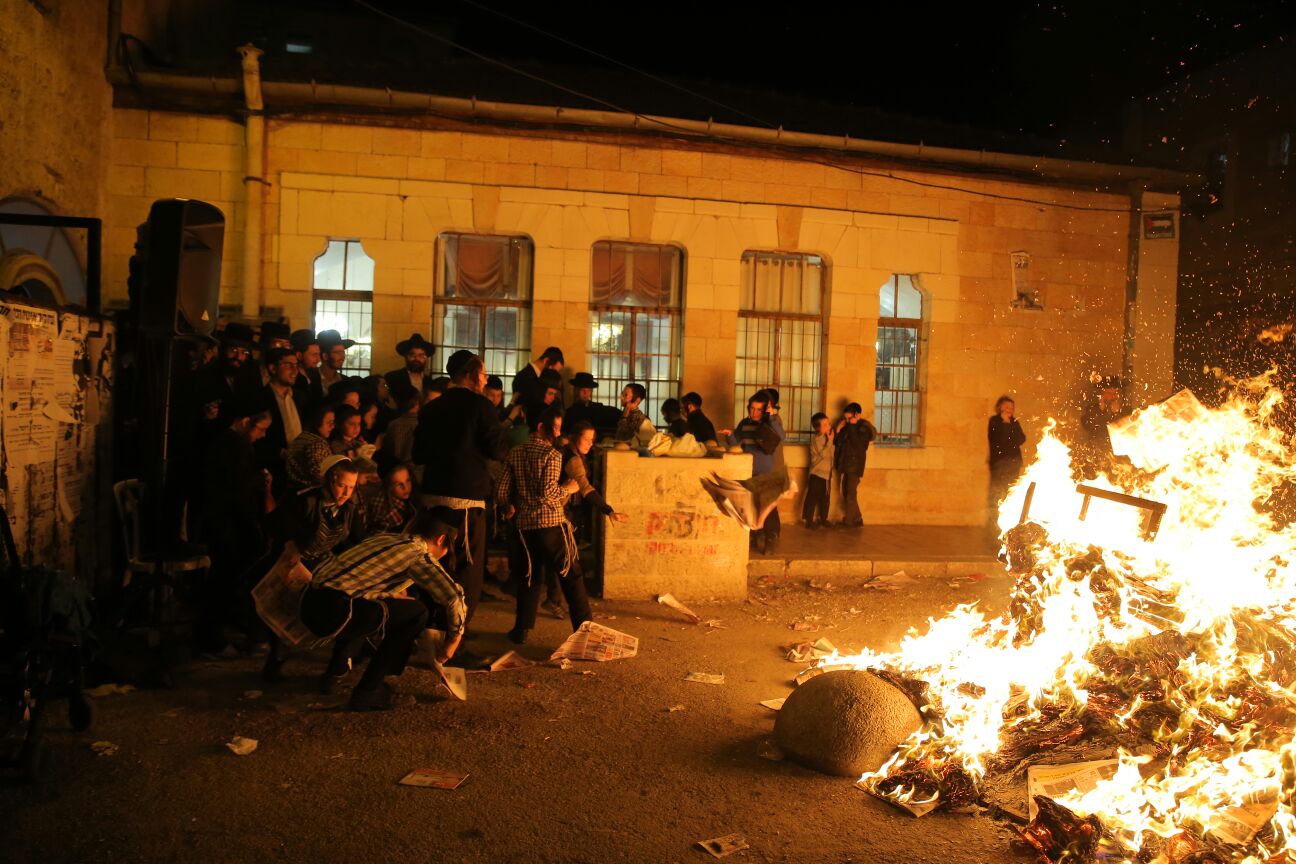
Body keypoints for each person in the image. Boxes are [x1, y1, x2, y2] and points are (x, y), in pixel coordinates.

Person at [301, 512, 466, 711]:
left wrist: (388, 594)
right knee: (416, 613)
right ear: (441, 539)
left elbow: (357, 579)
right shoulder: (417, 554)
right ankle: (368, 691)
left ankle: (334, 674)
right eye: (449, 546)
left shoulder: (387, 538)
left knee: (389, 606)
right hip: (335, 612)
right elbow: (454, 596)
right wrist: (453, 640)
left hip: (310, 602)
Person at [412, 350, 509, 650]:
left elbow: (419, 454)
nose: (485, 379)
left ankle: (428, 631)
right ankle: (455, 637)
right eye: (482, 374)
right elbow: (497, 449)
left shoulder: (431, 408)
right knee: (467, 574)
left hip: (431, 502)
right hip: (466, 503)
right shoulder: (481, 406)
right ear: (469, 375)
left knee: (433, 569)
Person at [261, 454, 362, 683]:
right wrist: (291, 544)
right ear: (328, 480)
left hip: (325, 563)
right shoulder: (304, 501)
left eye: (351, 487)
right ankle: (276, 658)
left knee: (349, 601)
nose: (346, 492)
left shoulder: (349, 507)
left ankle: (338, 663)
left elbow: (356, 539)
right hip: (295, 562)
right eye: (341, 485)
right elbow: (275, 524)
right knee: (287, 611)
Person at [496, 405, 587, 644]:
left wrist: (508, 506)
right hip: (551, 526)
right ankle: (586, 632)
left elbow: (502, 489)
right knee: (572, 574)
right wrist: (569, 488)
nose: (557, 433)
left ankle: (521, 630)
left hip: (524, 527)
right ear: (540, 427)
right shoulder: (552, 455)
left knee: (531, 576)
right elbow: (547, 492)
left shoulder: (515, 452)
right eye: (554, 428)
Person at [199, 394, 275, 654]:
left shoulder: (236, 444)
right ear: (245, 422)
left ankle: (224, 632)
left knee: (228, 580)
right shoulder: (229, 446)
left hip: (231, 523)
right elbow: (236, 491)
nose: (262, 435)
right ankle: (214, 637)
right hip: (227, 525)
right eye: (261, 429)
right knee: (227, 580)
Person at [722, 392, 786, 553]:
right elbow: (737, 442)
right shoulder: (744, 423)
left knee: (767, 508)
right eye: (752, 408)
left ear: (765, 410)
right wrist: (730, 436)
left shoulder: (771, 422)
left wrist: (771, 417)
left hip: (768, 473)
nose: (754, 412)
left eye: (758, 409)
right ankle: (757, 535)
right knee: (753, 506)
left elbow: (781, 437)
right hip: (750, 472)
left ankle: (770, 539)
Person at [258, 347, 307, 492]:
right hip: (274, 470)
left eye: (296, 365)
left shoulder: (301, 397)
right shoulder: (261, 399)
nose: (294, 370)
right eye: (288, 365)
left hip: (301, 468)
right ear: (273, 368)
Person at [833, 402, 877, 530]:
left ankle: (849, 522)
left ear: (857, 415)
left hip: (855, 466)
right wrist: (838, 430)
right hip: (846, 465)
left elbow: (859, 447)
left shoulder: (863, 428)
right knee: (847, 493)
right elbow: (838, 442)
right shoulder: (848, 426)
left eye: (849, 417)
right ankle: (857, 518)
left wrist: (851, 427)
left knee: (850, 494)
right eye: (845, 418)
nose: (846, 420)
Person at [987, 395, 1027, 524]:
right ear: (1000, 407)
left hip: (1014, 462)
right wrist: (1005, 425)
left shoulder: (1014, 422)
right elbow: (999, 440)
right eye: (1006, 406)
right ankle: (994, 521)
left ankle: (1008, 519)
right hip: (1000, 462)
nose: (1009, 409)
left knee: (1010, 489)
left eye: (1011, 407)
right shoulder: (994, 421)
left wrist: (1009, 425)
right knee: (998, 490)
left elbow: (1021, 439)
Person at [284, 403, 335, 491]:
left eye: (333, 422)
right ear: (316, 421)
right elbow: (317, 473)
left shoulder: (302, 437)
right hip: (308, 493)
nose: (332, 426)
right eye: (328, 422)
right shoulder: (317, 444)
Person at [802, 412, 834, 530]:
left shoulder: (828, 437)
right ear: (817, 427)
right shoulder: (816, 440)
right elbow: (822, 455)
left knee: (825, 498)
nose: (828, 426)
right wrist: (830, 441)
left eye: (828, 424)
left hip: (827, 474)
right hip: (817, 473)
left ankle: (824, 519)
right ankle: (809, 521)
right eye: (825, 424)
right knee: (812, 497)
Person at [511, 346, 564, 416]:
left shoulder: (533, 376)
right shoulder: (525, 377)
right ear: (546, 361)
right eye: (554, 370)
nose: (554, 375)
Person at [384, 333, 433, 397]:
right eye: (412, 355)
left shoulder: (430, 382)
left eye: (421, 355)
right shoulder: (392, 378)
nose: (416, 358)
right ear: (406, 356)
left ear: (426, 358)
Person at [290, 329, 326, 409]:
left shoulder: (315, 375)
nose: (318, 359)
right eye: (314, 355)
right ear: (299, 355)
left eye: (318, 354)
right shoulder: (292, 378)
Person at [316, 329, 354, 396]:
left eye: (343, 352)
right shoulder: (310, 380)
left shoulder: (345, 381)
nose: (342, 357)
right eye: (337, 352)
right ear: (325, 356)